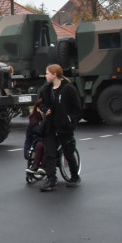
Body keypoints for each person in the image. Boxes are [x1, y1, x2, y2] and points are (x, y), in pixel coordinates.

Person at [37, 64, 82, 192]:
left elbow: (77, 109)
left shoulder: (68, 89)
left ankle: (74, 176)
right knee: (49, 153)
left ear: (54, 74)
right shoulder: (46, 90)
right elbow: (42, 104)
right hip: (50, 126)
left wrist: (70, 120)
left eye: (47, 73)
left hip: (64, 127)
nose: (45, 75)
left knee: (68, 152)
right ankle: (51, 180)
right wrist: (45, 110)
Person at [23, 99, 46, 177]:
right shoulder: (33, 120)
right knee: (39, 145)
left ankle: (42, 167)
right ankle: (34, 167)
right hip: (37, 143)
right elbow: (28, 137)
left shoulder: (49, 119)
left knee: (42, 145)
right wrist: (26, 150)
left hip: (49, 142)